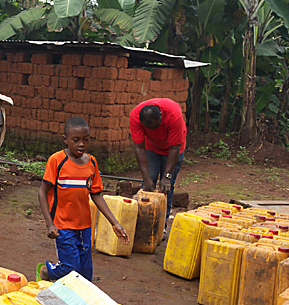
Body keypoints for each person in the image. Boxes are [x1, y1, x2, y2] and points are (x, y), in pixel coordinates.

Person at [38, 116, 129, 282]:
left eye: (85, 140)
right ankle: (47, 272)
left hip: (85, 225)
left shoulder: (91, 162)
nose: (81, 144)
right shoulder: (57, 161)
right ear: (65, 140)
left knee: (85, 273)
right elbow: (42, 192)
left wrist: (115, 223)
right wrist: (50, 223)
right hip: (62, 224)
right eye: (76, 140)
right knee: (70, 267)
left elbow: (96, 194)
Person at [130, 98, 186, 223]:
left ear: (161, 117)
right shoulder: (135, 116)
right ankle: (144, 221)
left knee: (166, 186)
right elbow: (139, 147)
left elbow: (174, 148)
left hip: (173, 149)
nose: (153, 130)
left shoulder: (173, 115)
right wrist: (146, 177)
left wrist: (167, 175)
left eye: (156, 126)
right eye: (149, 128)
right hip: (152, 147)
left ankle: (162, 223)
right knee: (149, 182)